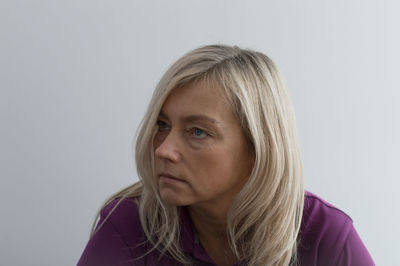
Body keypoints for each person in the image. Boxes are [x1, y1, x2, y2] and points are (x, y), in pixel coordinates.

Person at [77, 44, 374, 266]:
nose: (163, 150)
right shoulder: (129, 225)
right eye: (162, 125)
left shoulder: (325, 236)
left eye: (197, 132)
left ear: (258, 148)